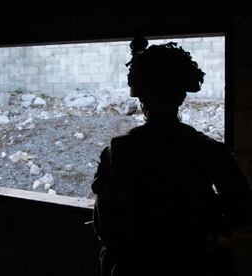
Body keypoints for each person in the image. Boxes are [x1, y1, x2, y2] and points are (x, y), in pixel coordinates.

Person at [92, 37, 252, 276]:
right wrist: (198, 219)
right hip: (193, 263)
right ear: (181, 97)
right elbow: (241, 210)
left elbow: (105, 227)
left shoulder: (119, 150)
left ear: (141, 98)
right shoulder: (208, 149)